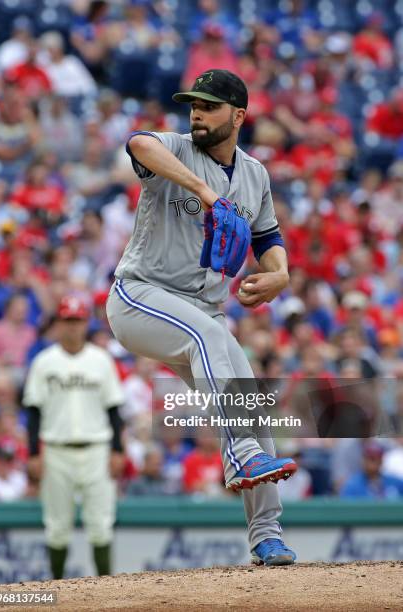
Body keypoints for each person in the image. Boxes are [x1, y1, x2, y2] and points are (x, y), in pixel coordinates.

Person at [106, 69, 297, 566]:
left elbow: (268, 242)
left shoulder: (255, 173)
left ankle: (267, 535)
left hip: (202, 310)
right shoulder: (178, 149)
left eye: (209, 106)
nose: (196, 113)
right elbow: (138, 143)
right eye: (193, 104)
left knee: (250, 399)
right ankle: (239, 458)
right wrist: (208, 194)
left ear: (238, 116)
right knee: (209, 335)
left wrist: (279, 276)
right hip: (141, 296)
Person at [23, 296, 125, 579]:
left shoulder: (101, 360)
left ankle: (106, 593)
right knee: (57, 526)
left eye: (78, 320)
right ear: (57, 324)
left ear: (85, 323)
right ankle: (58, 591)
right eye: (68, 321)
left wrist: (118, 449)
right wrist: (33, 454)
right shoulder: (44, 362)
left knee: (101, 523)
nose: (73, 327)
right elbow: (33, 411)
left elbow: (114, 409)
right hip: (56, 450)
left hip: (97, 449)